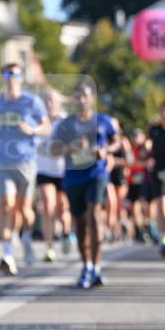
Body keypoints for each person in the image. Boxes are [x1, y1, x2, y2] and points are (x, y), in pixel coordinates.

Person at [51, 81, 119, 288]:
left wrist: (105, 150)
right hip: (73, 176)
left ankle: (97, 267)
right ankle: (87, 265)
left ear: (92, 98)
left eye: (85, 96)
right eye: (77, 96)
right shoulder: (65, 124)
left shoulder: (104, 120)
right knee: (80, 222)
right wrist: (71, 147)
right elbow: (54, 150)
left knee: (94, 213)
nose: (81, 100)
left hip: (96, 174)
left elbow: (117, 141)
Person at [0, 63, 50, 275]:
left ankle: (27, 237)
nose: (10, 77)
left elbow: (46, 126)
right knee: (5, 205)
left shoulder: (32, 101)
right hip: (3, 160)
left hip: (26, 160)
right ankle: (7, 254)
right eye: (6, 73)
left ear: (21, 78)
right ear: (3, 78)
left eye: (14, 74)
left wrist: (32, 129)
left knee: (24, 210)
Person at [36, 88, 69, 262]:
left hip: (63, 171)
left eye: (52, 100)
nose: (49, 104)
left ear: (58, 103)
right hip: (44, 170)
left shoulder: (66, 121)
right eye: (46, 100)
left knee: (62, 209)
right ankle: (49, 247)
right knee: (47, 206)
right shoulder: (38, 121)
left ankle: (65, 233)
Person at [148, 100, 165, 258]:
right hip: (160, 173)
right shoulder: (154, 130)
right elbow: (149, 148)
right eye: (163, 110)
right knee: (162, 207)